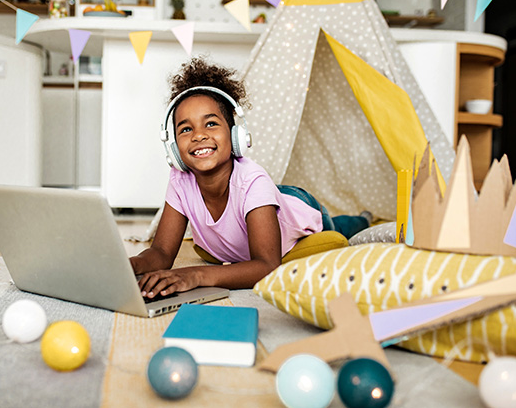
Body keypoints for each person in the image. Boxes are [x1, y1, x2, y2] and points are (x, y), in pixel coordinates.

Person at [130, 57, 371, 299]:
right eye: (186, 129)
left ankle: (363, 218)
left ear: (236, 135)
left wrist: (196, 275)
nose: (199, 135)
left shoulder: (253, 180)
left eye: (211, 123)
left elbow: (267, 265)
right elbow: (161, 252)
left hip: (298, 205)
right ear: (173, 147)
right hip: (263, 199)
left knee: (341, 228)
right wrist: (131, 265)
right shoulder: (180, 180)